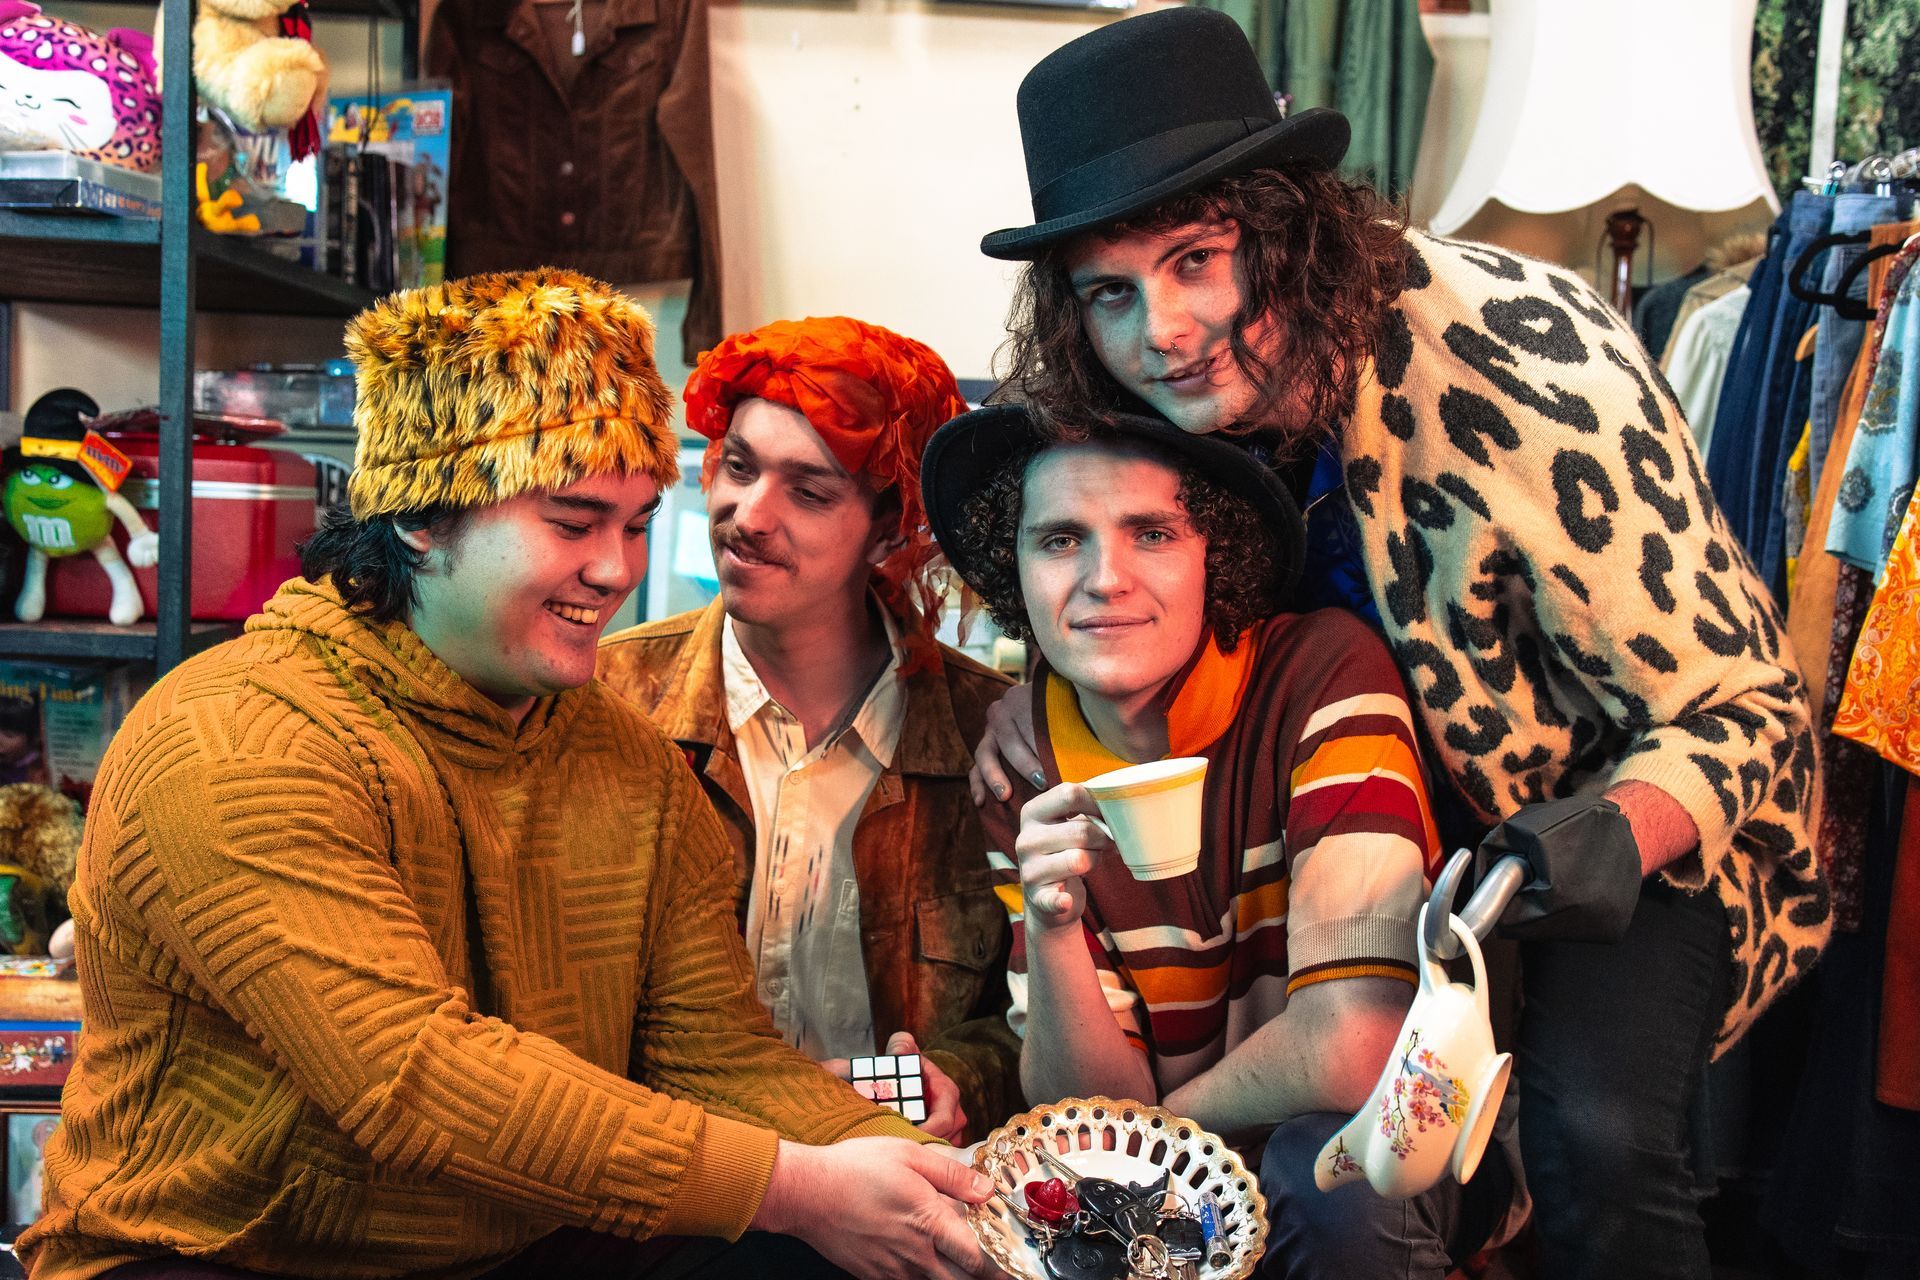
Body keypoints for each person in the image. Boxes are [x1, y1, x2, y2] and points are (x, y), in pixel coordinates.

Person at [967, 10, 1831, 1279]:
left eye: (1198, 259)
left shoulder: (1523, 368)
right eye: (1112, 289)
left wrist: (1607, 831)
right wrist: (1030, 691)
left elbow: (1749, 703)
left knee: (1590, 1131)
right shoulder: (1139, 391)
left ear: (1289, 225)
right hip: (1379, 830)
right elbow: (1085, 545)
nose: (1160, 329)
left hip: (1639, 814)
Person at [17, 271, 997, 1280]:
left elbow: (718, 1055)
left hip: (514, 1237)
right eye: (574, 523)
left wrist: (956, 1193)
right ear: (420, 517)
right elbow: (412, 1078)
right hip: (226, 1255)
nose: (617, 568)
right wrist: (796, 1184)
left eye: (635, 521)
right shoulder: (234, 735)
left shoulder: (621, 753)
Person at [921, 402, 1518, 1275]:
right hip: (1179, 1194)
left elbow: (1354, 1044)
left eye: (1152, 534)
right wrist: (1052, 931)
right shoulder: (1020, 771)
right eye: (1058, 540)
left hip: (1366, 1156)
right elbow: (1088, 1107)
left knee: (1322, 1179)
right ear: (1014, 571)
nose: (1104, 579)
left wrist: (1147, 1149)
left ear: (1218, 555)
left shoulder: (1320, 673)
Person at [597, 317, 1020, 1143]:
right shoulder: (606, 700)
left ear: (893, 529)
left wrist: (960, 1078)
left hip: (900, 1195)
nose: (749, 515)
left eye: (810, 491)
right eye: (740, 467)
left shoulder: (991, 736)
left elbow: (1039, 1019)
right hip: (675, 1196)